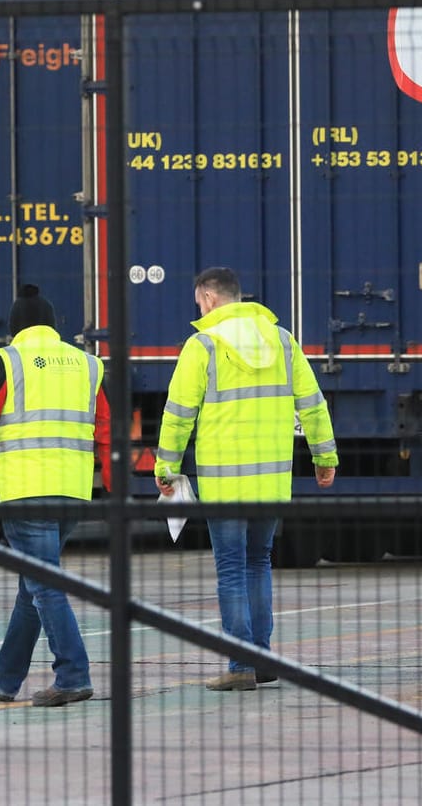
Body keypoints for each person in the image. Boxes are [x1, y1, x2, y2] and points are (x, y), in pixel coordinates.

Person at [153, 266, 337, 691]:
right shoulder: (283, 341)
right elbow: (312, 403)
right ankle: (262, 657)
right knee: (260, 563)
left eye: (199, 300)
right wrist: (324, 455)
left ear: (210, 298)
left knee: (231, 569)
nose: (198, 308)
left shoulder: (202, 346)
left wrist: (166, 468)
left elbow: (178, 414)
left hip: (225, 485)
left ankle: (239, 666)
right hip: (271, 483)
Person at [0, 284, 112, 707]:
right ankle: (6, 680)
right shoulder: (87, 364)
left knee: (44, 584)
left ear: (15, 329)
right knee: (33, 585)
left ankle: (73, 675)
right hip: (72, 492)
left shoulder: (9, 361)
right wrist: (115, 492)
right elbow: (108, 431)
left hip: (27, 492)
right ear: (53, 325)